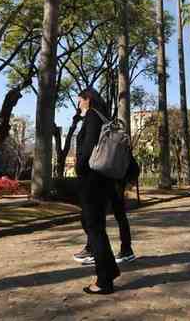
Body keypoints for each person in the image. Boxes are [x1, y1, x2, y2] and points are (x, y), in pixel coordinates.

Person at [74, 88, 120, 295]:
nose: (79, 104)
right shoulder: (104, 116)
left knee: (93, 226)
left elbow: (89, 146)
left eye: (80, 100)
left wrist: (79, 168)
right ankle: (108, 271)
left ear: (87, 99)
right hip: (104, 179)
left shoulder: (92, 116)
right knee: (91, 223)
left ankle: (104, 280)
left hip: (92, 179)